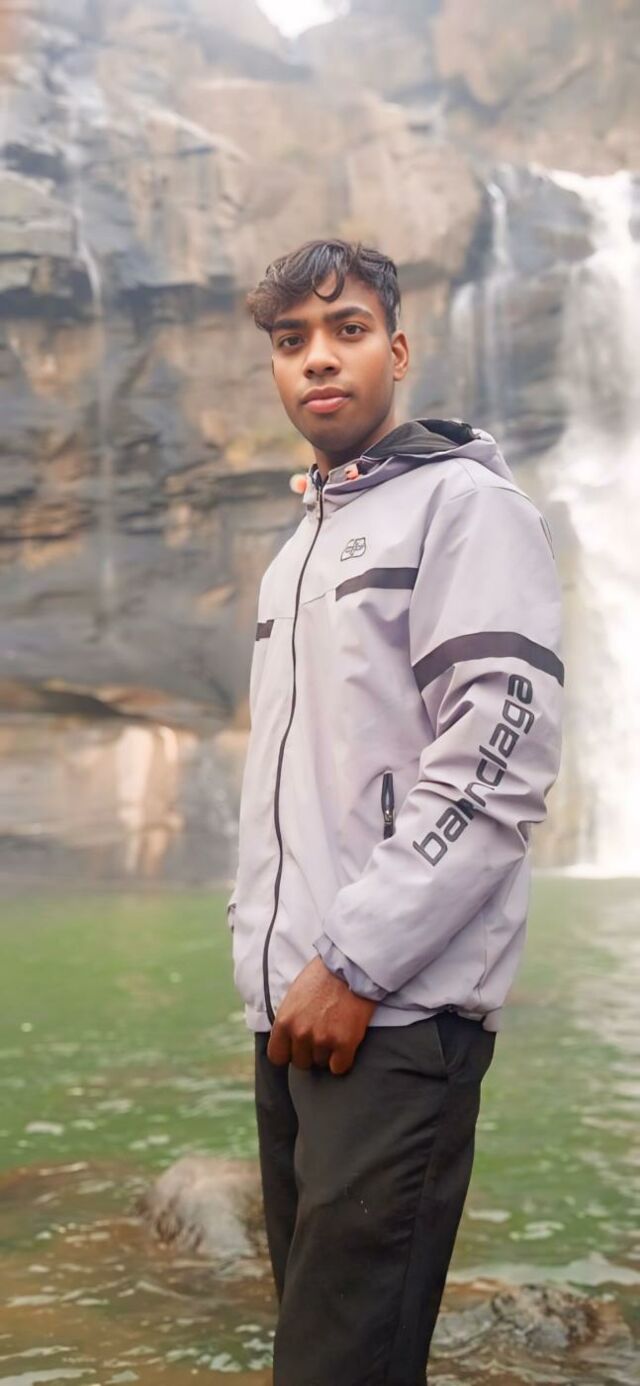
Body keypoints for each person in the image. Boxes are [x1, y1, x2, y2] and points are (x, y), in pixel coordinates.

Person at [226, 239, 563, 1385]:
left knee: (340, 1363)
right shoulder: (297, 551)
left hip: (393, 1008)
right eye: (291, 341)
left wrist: (356, 962)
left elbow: (498, 756)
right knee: (320, 1345)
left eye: (348, 330)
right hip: (294, 1009)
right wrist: (269, 965)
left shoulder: (468, 506)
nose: (318, 359)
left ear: (398, 350)